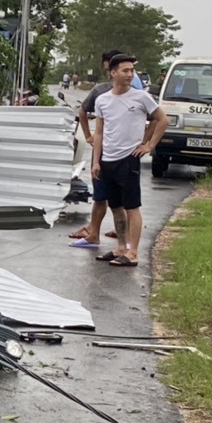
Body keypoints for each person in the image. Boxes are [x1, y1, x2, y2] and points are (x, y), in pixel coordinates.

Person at [90, 54, 166, 267]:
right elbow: (99, 133)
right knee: (115, 206)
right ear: (112, 73)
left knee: (132, 207)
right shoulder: (102, 100)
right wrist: (96, 161)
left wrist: (149, 145)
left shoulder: (141, 97)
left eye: (132, 71)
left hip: (129, 159)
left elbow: (162, 119)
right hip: (108, 160)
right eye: (125, 70)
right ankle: (121, 247)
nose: (130, 74)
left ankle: (133, 253)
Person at [69, 49, 126, 249]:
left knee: (107, 196)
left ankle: (112, 238)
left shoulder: (104, 92)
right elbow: (84, 113)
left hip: (113, 152)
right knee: (111, 196)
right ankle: (114, 238)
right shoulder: (105, 92)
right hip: (115, 152)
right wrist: (90, 137)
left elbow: (157, 118)